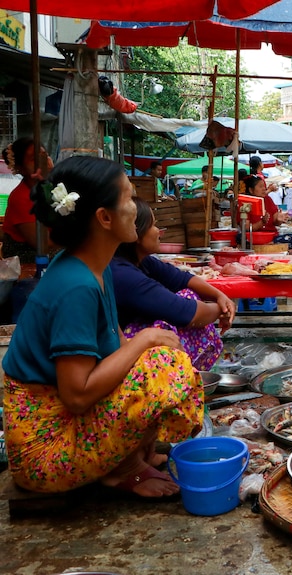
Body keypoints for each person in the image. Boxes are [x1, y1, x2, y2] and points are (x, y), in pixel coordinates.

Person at [1, 156, 203, 497]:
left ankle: (132, 455)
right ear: (104, 217)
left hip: (65, 425)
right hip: (45, 452)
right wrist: (147, 339)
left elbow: (116, 345)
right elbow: (77, 396)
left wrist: (146, 342)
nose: (137, 207)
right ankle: (120, 470)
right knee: (162, 364)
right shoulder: (75, 284)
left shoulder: (97, 266)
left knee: (162, 355)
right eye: (127, 197)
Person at [111, 198, 236, 371]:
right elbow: (186, 313)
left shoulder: (142, 261)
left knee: (189, 294)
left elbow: (182, 278)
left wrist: (219, 296)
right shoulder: (122, 274)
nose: (159, 232)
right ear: (135, 233)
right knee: (186, 301)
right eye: (154, 225)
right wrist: (221, 310)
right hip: (120, 356)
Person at [2, 137, 55, 266]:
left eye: (44, 155)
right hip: (26, 258)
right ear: (21, 168)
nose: (42, 161)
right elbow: (42, 244)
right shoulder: (20, 197)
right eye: (33, 159)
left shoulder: (51, 187)